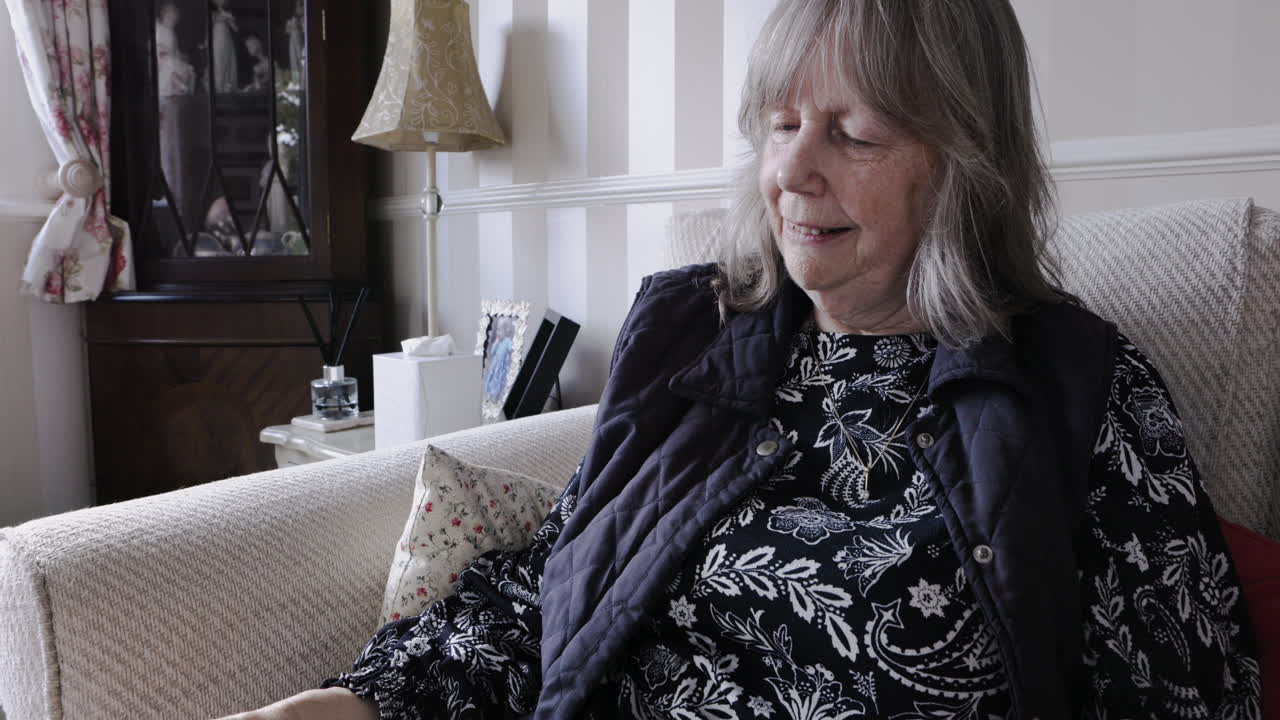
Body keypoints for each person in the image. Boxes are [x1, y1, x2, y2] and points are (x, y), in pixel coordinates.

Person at [229, 1, 1260, 718]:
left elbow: (1190, 688)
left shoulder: (1078, 389)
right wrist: (361, 700)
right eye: (777, 126)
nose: (792, 171)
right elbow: (563, 580)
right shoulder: (692, 336)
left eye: (850, 135)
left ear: (961, 169)